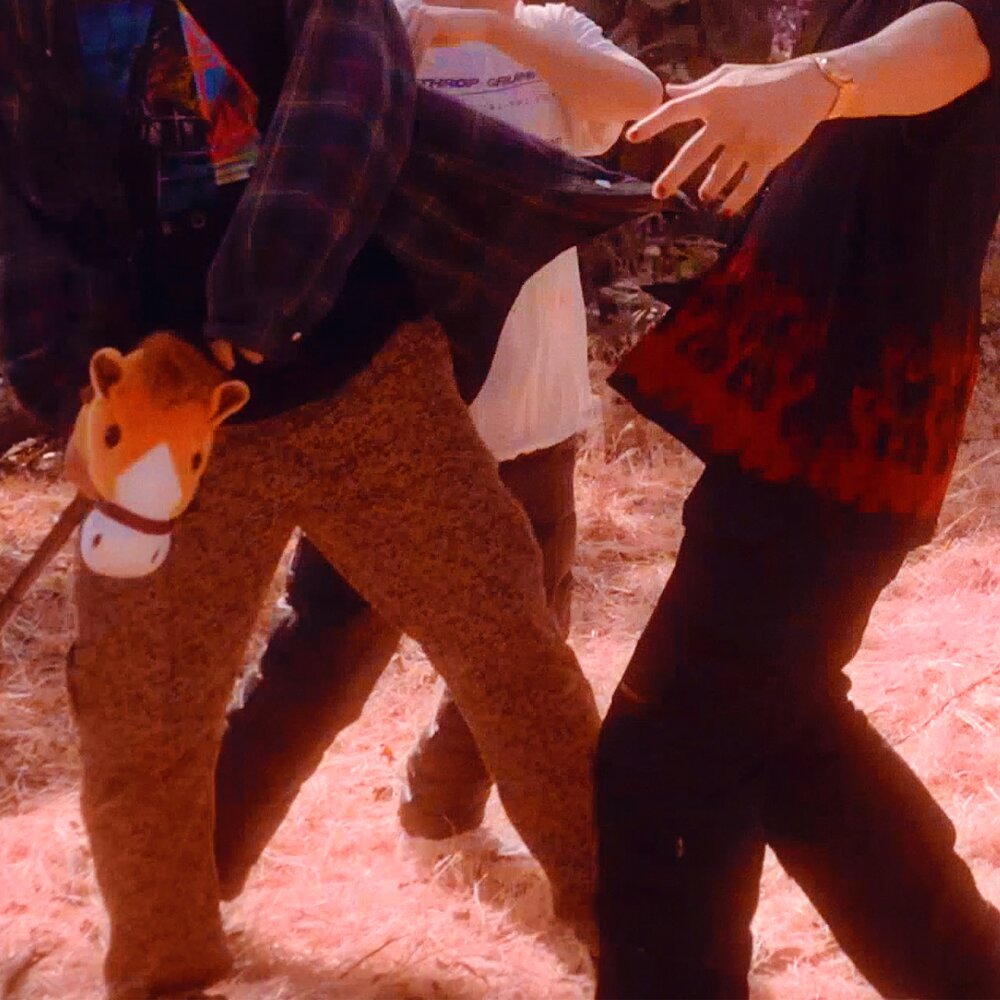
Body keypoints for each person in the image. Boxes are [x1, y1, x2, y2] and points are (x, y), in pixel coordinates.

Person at [0, 1, 660, 996]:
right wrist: (74, 400)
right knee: (139, 707)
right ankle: (163, 973)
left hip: (363, 373)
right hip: (156, 410)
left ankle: (644, 947)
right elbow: (22, 212)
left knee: (507, 650)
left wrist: (251, 306)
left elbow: (350, 93)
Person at [595, 1, 1000, 997]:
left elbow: (959, 39)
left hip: (838, 419)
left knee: (664, 764)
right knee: (788, 741)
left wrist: (819, 82)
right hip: (813, 417)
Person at [212, 0, 661, 894]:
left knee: (527, 644)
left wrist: (498, 28)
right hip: (389, 422)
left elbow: (642, 101)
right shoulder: (363, 26)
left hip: (532, 414)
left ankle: (442, 808)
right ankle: (198, 864)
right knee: (326, 655)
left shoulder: (549, 28)